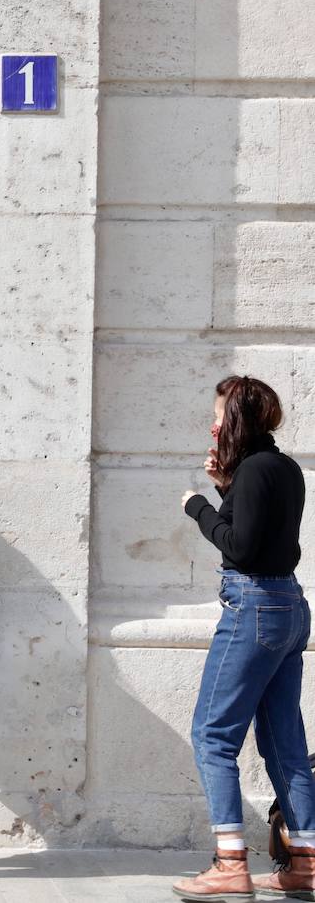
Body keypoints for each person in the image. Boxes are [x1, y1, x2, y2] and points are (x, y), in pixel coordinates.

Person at [173, 376, 313, 902]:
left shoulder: (255, 471)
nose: (212, 424)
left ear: (235, 419)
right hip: (288, 608)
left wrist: (198, 507)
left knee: (212, 735)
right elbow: (265, 534)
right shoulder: (281, 468)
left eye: (218, 414)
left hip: (252, 608)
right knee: (284, 741)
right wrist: (226, 490)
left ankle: (229, 862)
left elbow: (241, 545)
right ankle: (305, 861)